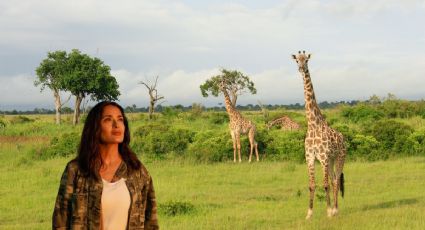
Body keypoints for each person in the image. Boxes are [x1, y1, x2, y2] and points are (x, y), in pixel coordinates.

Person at [52, 101, 159, 230]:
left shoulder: (137, 171)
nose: (116, 125)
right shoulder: (76, 170)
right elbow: (60, 221)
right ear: (95, 127)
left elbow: (151, 222)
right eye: (108, 120)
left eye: (120, 120)